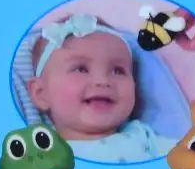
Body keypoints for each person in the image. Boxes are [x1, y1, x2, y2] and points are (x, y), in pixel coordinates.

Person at [27, 13, 175, 161]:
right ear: (41, 93)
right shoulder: (40, 156)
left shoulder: (144, 138)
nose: (102, 81)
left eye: (118, 71)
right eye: (81, 69)